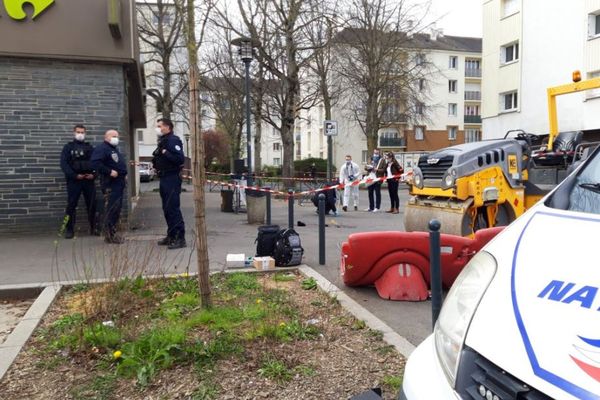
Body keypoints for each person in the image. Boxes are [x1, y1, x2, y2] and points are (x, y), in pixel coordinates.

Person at [153, 118, 186, 249]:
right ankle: (171, 235)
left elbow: (179, 159)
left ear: (168, 127)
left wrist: (165, 152)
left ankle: (179, 238)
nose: (158, 128)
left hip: (171, 178)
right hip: (164, 177)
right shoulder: (164, 141)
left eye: (160, 126)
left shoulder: (173, 140)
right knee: (167, 208)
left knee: (173, 208)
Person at [60, 124, 97, 238]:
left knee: (92, 205)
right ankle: (69, 229)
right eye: (78, 132)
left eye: (82, 132)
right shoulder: (68, 147)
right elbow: (64, 164)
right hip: (74, 181)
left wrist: (94, 175)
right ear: (74, 132)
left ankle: (94, 228)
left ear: (85, 133)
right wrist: (75, 176)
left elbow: (97, 163)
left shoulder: (90, 148)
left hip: (88, 181)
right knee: (71, 206)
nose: (80, 134)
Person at [91, 129, 128, 244]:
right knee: (112, 209)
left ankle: (112, 233)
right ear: (106, 137)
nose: (116, 138)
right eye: (113, 136)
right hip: (111, 183)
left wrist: (123, 174)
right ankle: (110, 235)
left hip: (118, 182)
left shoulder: (113, 149)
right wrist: (109, 171)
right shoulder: (102, 149)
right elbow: (95, 163)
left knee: (116, 209)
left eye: (117, 136)